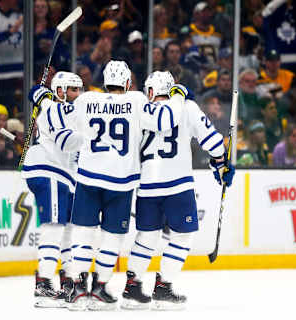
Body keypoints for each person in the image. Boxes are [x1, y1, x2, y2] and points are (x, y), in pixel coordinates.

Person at [29, 60, 187, 311]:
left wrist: (42, 97)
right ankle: (101, 288)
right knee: (111, 238)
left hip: (88, 180)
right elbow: (164, 120)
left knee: (82, 235)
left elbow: (56, 115)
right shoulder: (136, 101)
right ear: (127, 83)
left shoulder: (85, 101)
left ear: (104, 81)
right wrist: (179, 96)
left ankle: (79, 290)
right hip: (121, 183)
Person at [121, 71, 234, 310]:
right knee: (183, 237)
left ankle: (132, 287)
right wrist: (220, 162)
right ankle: (163, 288)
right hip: (178, 185)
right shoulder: (187, 107)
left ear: (150, 91)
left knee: (146, 237)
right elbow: (213, 144)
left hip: (147, 185)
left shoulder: (140, 111)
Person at [22, 71, 84, 307]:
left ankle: (68, 279)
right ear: (60, 91)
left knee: (66, 228)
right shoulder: (62, 109)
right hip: (51, 172)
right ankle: (44, 284)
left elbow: (35, 93)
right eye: (73, 90)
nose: (78, 94)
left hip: (60, 174)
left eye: (79, 89)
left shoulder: (50, 104)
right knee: (54, 228)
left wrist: (40, 92)